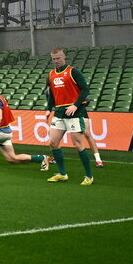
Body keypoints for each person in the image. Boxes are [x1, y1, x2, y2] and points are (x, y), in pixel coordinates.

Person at [45, 48, 96, 185]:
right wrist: (49, 109)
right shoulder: (51, 74)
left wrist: (75, 105)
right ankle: (62, 174)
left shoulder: (73, 71)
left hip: (74, 112)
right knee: (53, 143)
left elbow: (85, 90)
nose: (56, 61)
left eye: (58, 58)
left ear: (64, 57)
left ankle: (89, 176)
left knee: (78, 144)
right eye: (54, 59)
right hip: (59, 112)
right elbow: (52, 95)